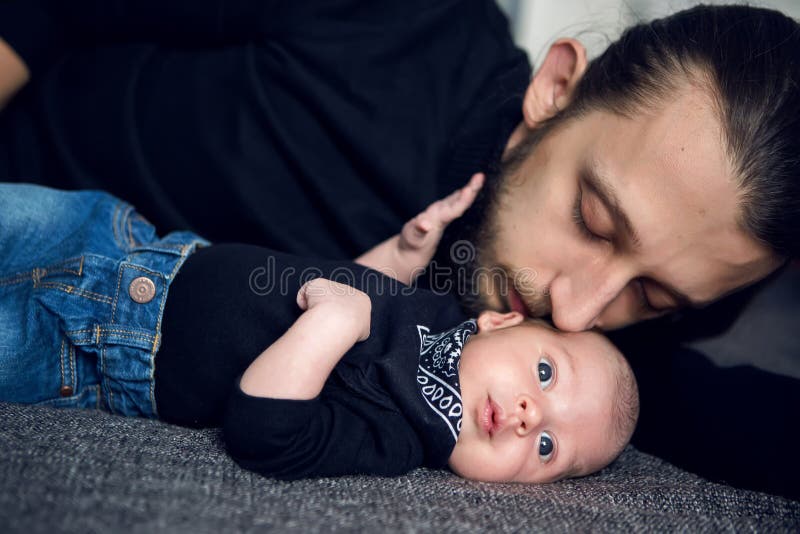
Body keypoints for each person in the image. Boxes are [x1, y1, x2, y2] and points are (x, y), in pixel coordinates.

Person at [0, 1, 797, 496]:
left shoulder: (571, 370)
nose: (579, 309)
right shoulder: (400, 22)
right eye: (593, 219)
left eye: (654, 297)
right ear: (557, 92)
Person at [0, 180, 638, 482]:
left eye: (549, 449)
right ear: (502, 321)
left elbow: (265, 430)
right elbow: (343, 290)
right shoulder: (441, 316)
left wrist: (336, 323)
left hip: (93, 352)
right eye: (546, 373)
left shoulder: (397, 440)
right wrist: (401, 255)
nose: (531, 415)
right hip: (131, 242)